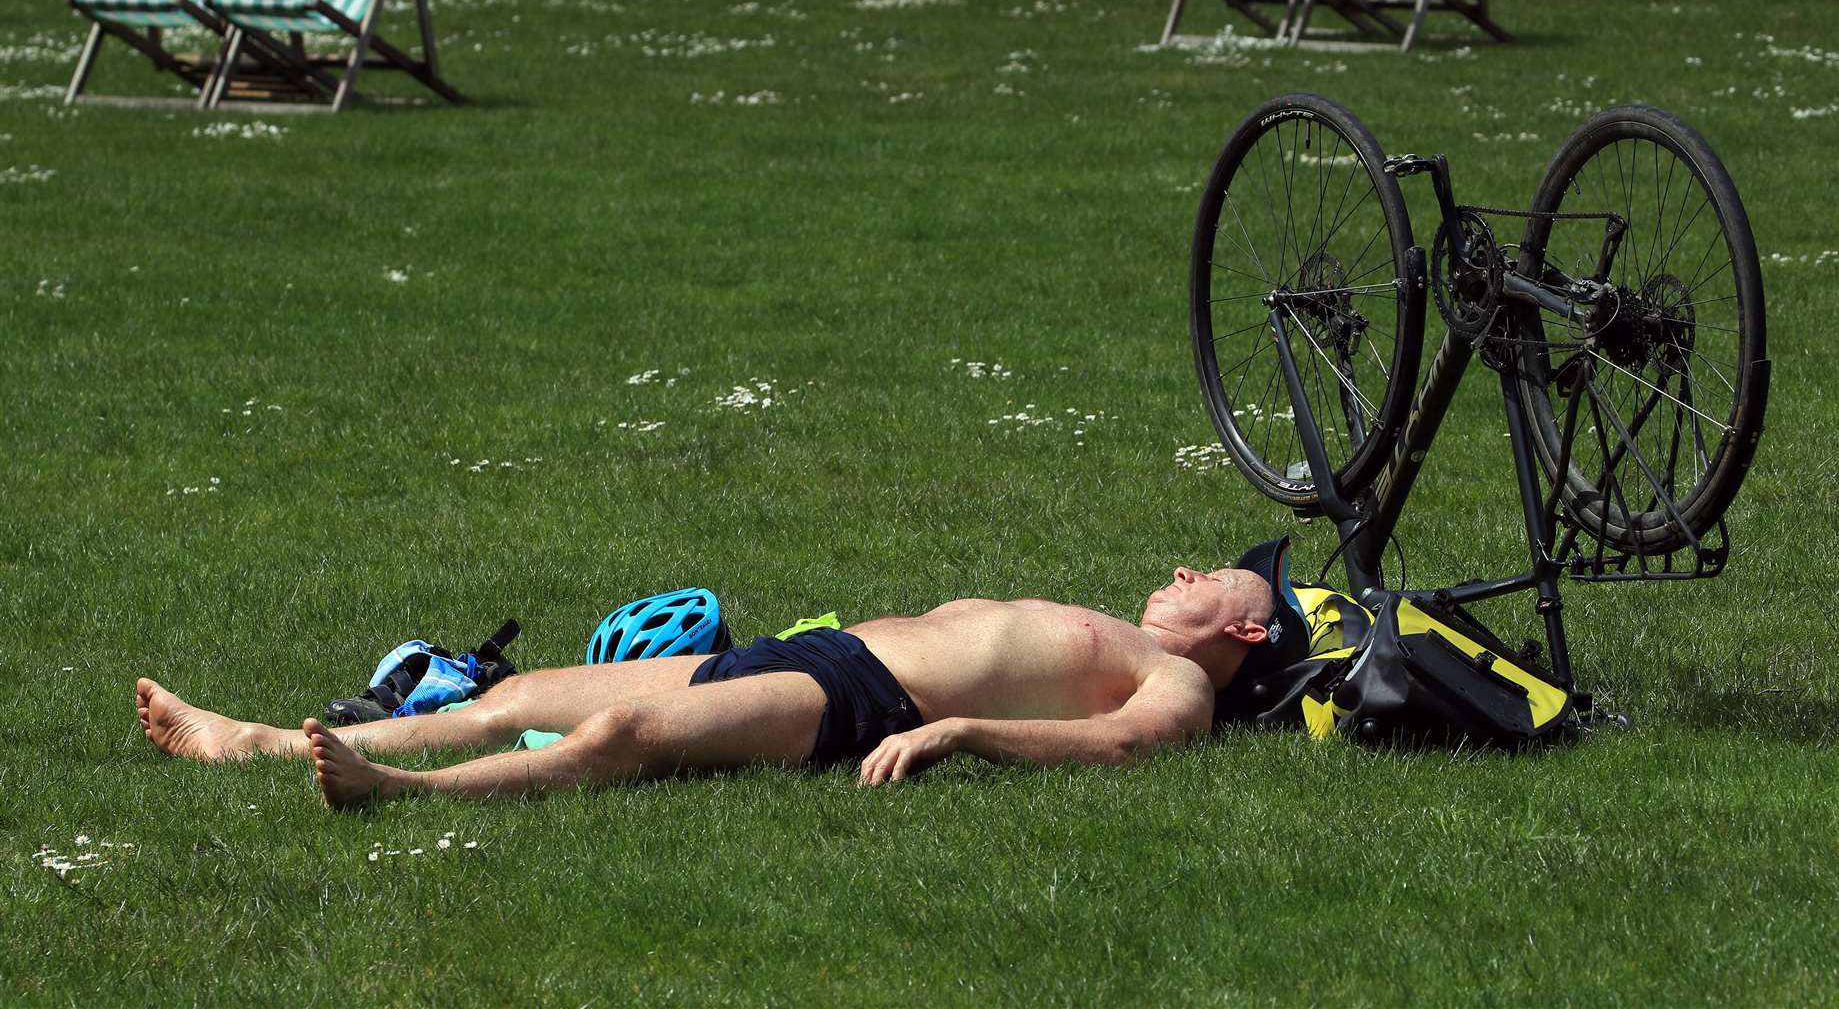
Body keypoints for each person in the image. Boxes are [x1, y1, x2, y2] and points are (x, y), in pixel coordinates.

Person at [135, 539, 1309, 810]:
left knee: (625, 735)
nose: (1183, 569)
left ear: (1244, 635)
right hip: (815, 649)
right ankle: (255, 740)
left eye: (1212, 579)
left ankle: (402, 793)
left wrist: (963, 736)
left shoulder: (1184, 686)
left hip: (865, 701)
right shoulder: (1113, 621)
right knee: (521, 696)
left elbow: (1116, 748)